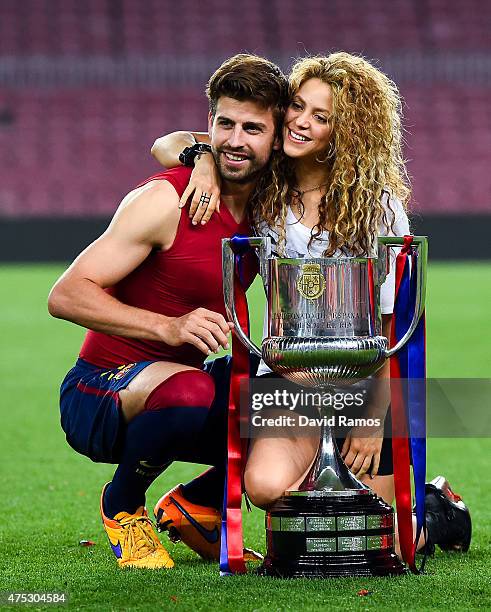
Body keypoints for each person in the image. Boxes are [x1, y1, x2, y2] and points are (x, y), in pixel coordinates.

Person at [151, 52, 471, 560]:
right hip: (290, 380)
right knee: (264, 486)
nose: (301, 121)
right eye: (298, 106)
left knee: (390, 542)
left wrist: (373, 415)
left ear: (347, 131)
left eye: (322, 117)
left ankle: (437, 508)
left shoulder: (378, 204)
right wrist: (204, 161)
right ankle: (222, 493)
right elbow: (165, 143)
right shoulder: (263, 185)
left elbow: (391, 321)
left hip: (366, 383)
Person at [48, 53, 288, 569]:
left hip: (179, 388)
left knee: (281, 397)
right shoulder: (167, 200)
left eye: (252, 127)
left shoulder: (268, 210)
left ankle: (195, 505)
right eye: (224, 124)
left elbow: (172, 143)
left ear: (275, 137)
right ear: (209, 124)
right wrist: (167, 326)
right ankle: (123, 505)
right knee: (194, 388)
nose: (235, 140)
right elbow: (65, 294)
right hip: (100, 392)